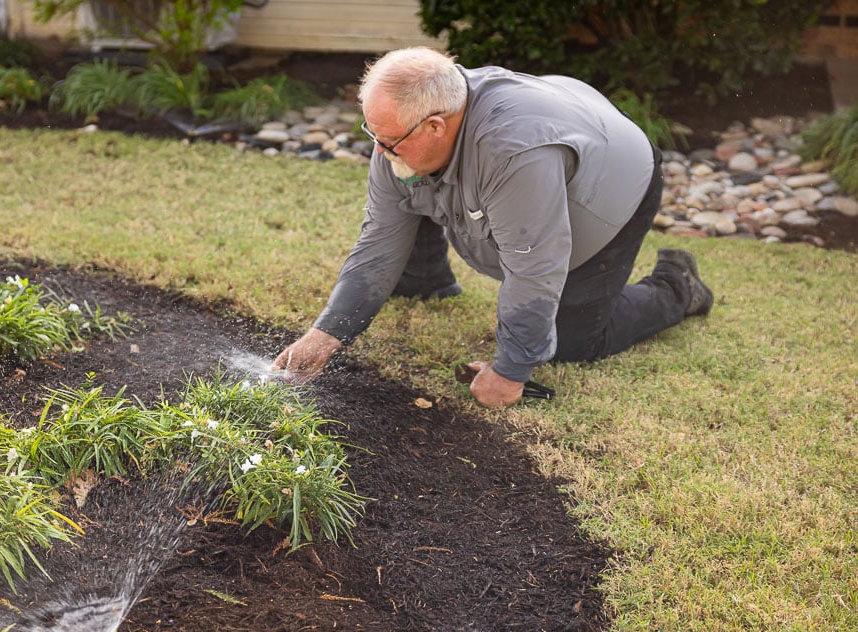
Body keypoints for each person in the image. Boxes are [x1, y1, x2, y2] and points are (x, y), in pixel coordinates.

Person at [271, 47, 713, 407]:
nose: (379, 150)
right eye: (374, 135)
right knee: (411, 174)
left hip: (613, 180)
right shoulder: (406, 127)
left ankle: (677, 285)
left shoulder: (512, 153)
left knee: (574, 340)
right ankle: (427, 280)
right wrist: (325, 336)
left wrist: (510, 370)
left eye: (388, 141)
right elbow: (379, 239)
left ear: (435, 125)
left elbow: (536, 266)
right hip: (565, 119)